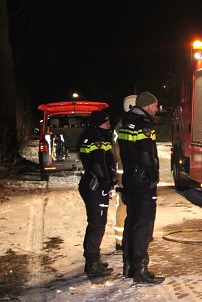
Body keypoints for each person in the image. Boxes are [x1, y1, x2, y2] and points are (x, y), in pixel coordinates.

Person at [117, 91, 164, 284]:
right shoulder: (144, 125)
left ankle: (128, 266)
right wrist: (153, 176)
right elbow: (147, 154)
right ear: (146, 106)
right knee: (143, 225)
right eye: (154, 105)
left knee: (131, 221)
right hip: (143, 180)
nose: (156, 109)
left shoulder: (125, 122)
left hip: (129, 179)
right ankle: (141, 270)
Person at [78, 110, 116, 281]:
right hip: (96, 186)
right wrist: (107, 184)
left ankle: (93, 260)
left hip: (90, 184)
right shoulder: (97, 138)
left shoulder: (91, 136)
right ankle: (92, 264)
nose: (109, 124)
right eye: (107, 122)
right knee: (97, 224)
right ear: (101, 122)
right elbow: (100, 165)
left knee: (96, 224)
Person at [112, 95, 136, 251]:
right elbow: (120, 153)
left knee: (125, 207)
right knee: (123, 207)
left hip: (123, 174)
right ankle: (121, 241)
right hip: (125, 175)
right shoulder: (125, 126)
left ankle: (123, 239)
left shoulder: (119, 125)